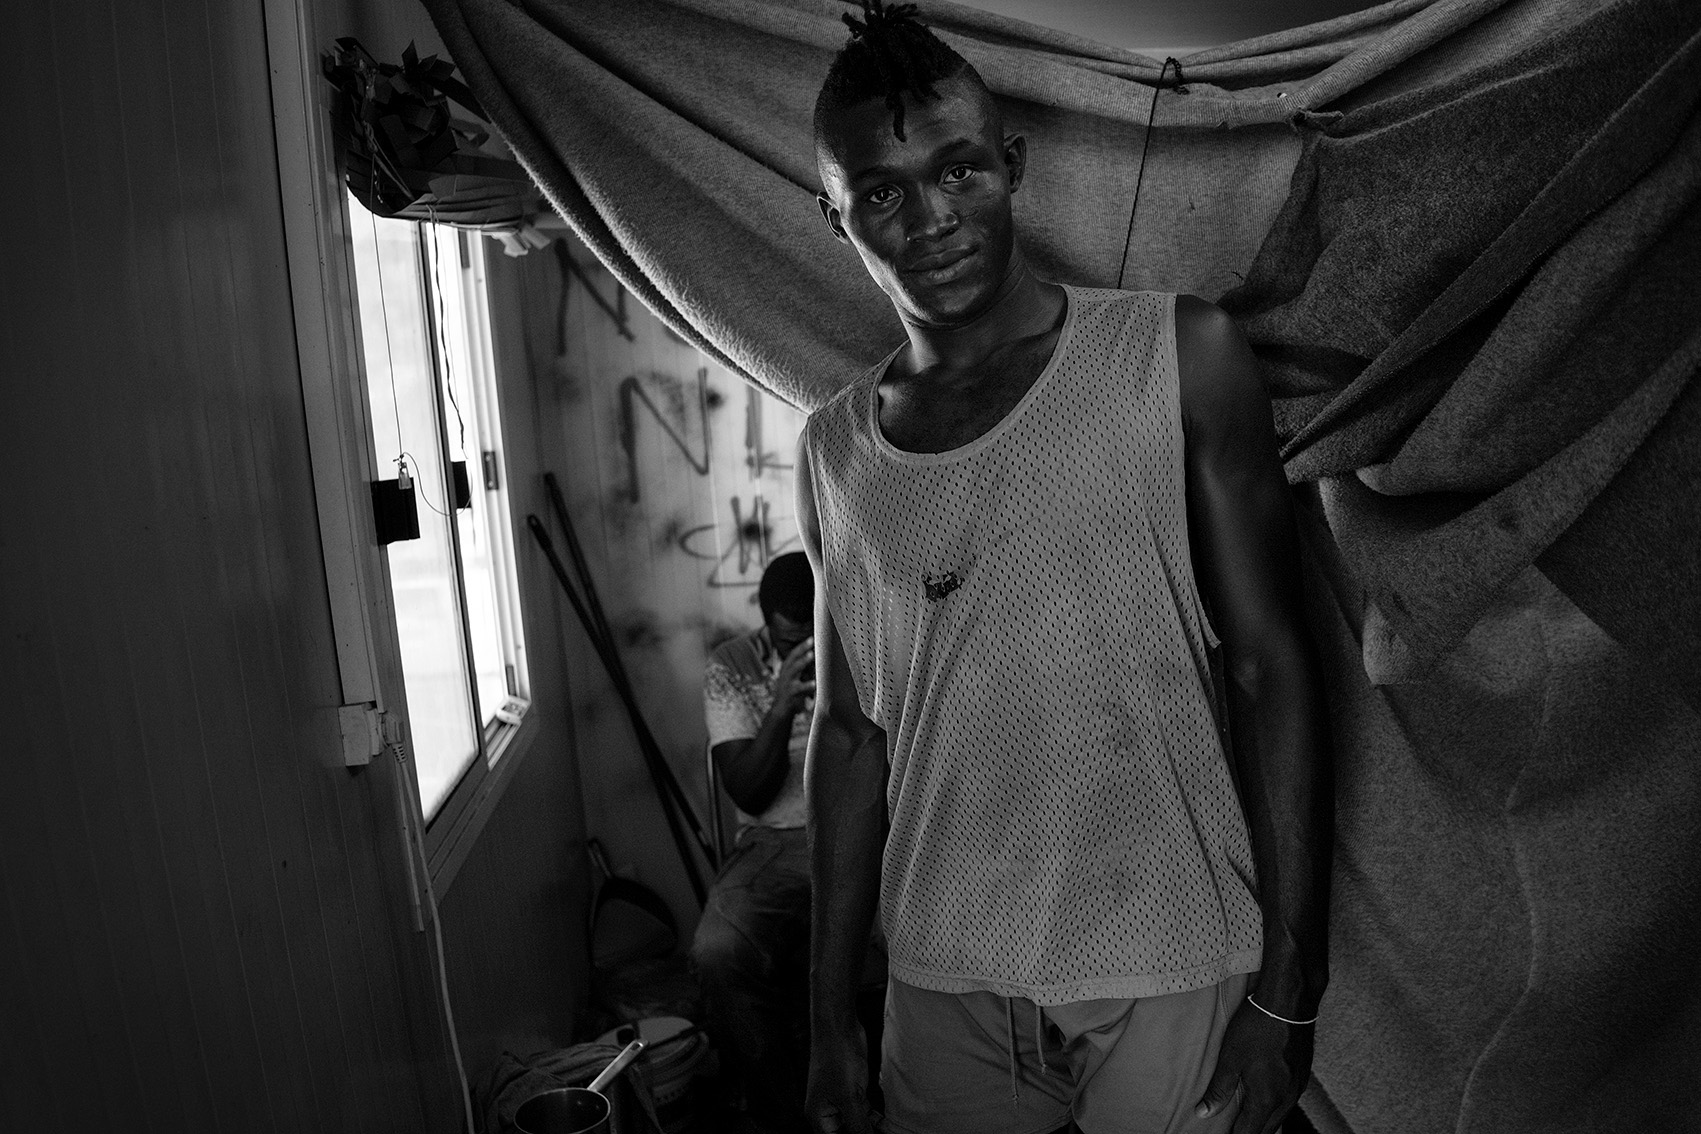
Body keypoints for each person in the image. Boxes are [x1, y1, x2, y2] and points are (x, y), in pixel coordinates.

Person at [796, 5, 1333, 1134]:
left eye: (959, 173)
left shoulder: (1177, 355)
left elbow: (1273, 670)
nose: (932, 219)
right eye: (882, 194)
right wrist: (827, 1020)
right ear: (835, 215)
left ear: (1013, 165)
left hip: (1167, 956)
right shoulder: (835, 448)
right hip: (940, 972)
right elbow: (850, 736)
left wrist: (1291, 994)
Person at [691, 551, 818, 1134]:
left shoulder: (860, 643)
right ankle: (785, 1113)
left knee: (921, 939)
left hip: (864, 831)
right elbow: (748, 789)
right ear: (769, 623)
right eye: (792, 637)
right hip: (771, 841)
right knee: (717, 952)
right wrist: (784, 703)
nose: (807, 646)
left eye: (815, 631)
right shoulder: (733, 665)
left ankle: (890, 1097)